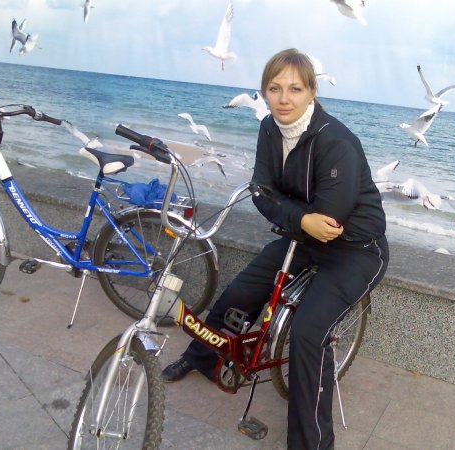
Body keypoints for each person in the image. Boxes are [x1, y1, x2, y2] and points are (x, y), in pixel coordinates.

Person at [161, 48, 389, 450]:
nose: (284, 99)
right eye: (275, 88)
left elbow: (329, 220)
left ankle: (311, 443)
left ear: (312, 92)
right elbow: (260, 191)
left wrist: (293, 214)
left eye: (295, 89)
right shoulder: (270, 128)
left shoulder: (337, 142)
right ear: (264, 92)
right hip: (302, 236)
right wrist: (300, 219)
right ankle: (203, 357)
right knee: (239, 293)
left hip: (356, 249)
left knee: (308, 333)